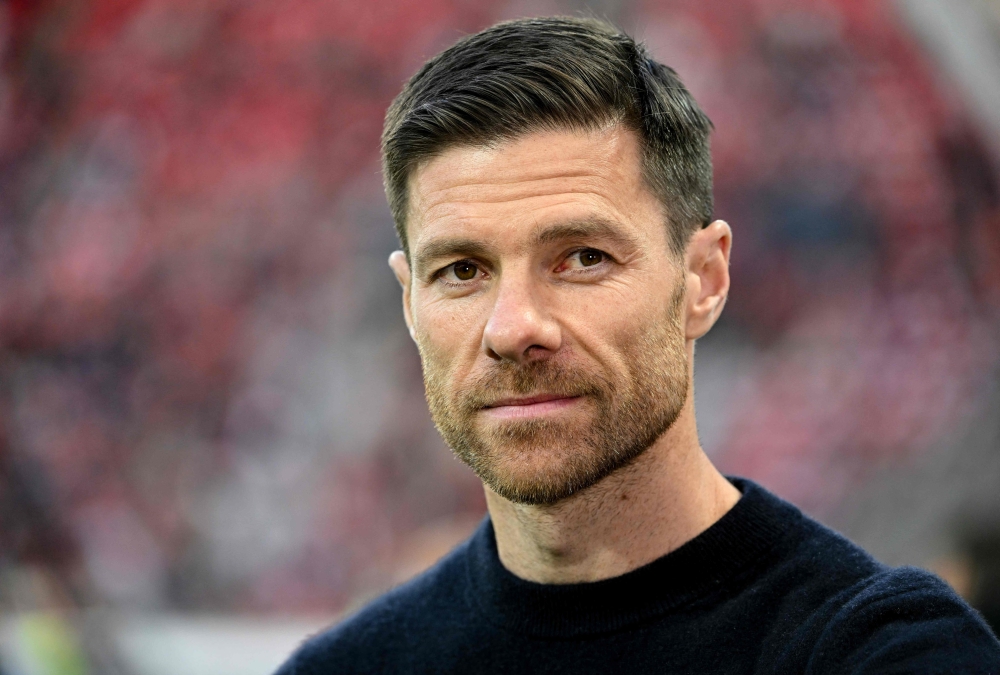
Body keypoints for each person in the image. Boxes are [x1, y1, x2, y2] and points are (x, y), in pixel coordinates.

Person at [276, 16, 1000, 674]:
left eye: (582, 258)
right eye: (461, 271)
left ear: (704, 280)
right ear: (409, 301)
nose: (513, 326)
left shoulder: (879, 653)